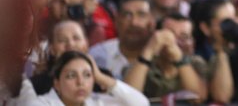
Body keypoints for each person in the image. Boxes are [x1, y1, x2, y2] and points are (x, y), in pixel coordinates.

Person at [122, 14, 207, 101]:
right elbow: (128, 99)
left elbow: (198, 99)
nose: (175, 42)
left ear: (192, 43)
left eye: (184, 36)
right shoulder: (140, 65)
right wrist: (149, 51)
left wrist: (179, 59)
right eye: (168, 36)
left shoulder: (196, 63)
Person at [14, 50, 149, 105]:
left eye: (87, 75)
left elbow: (142, 103)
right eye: (71, 76)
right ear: (56, 83)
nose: (80, 82)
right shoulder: (41, 104)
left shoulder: (97, 102)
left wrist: (101, 77)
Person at [89, 0, 155, 80]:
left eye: (141, 15)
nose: (134, 23)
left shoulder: (163, 56)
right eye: (127, 15)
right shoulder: (97, 55)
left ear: (152, 22)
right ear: (116, 21)